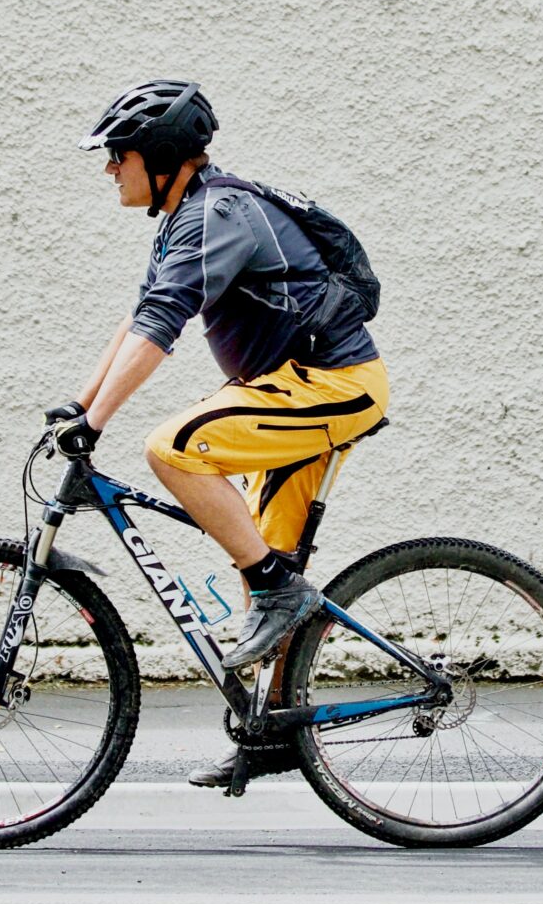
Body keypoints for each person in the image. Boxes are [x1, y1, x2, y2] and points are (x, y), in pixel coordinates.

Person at [40, 79, 388, 787]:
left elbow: (162, 326)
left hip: (330, 385)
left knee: (174, 448)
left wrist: (99, 423)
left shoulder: (215, 214)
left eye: (118, 155)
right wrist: (81, 406)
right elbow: (140, 314)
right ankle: (272, 735)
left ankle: (275, 590)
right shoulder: (184, 216)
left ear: (160, 156)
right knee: (267, 562)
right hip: (292, 387)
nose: (110, 167)